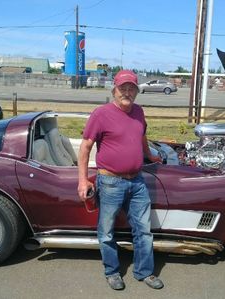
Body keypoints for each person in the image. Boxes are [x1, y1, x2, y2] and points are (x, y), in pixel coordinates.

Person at [77, 70, 164, 291]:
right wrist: (83, 181)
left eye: (131, 88)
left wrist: (150, 155)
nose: (127, 92)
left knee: (144, 230)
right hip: (110, 182)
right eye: (122, 88)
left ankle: (144, 272)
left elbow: (141, 135)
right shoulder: (101, 114)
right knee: (106, 231)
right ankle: (112, 271)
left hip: (137, 182)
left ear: (136, 91)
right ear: (114, 90)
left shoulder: (139, 112)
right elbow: (85, 147)